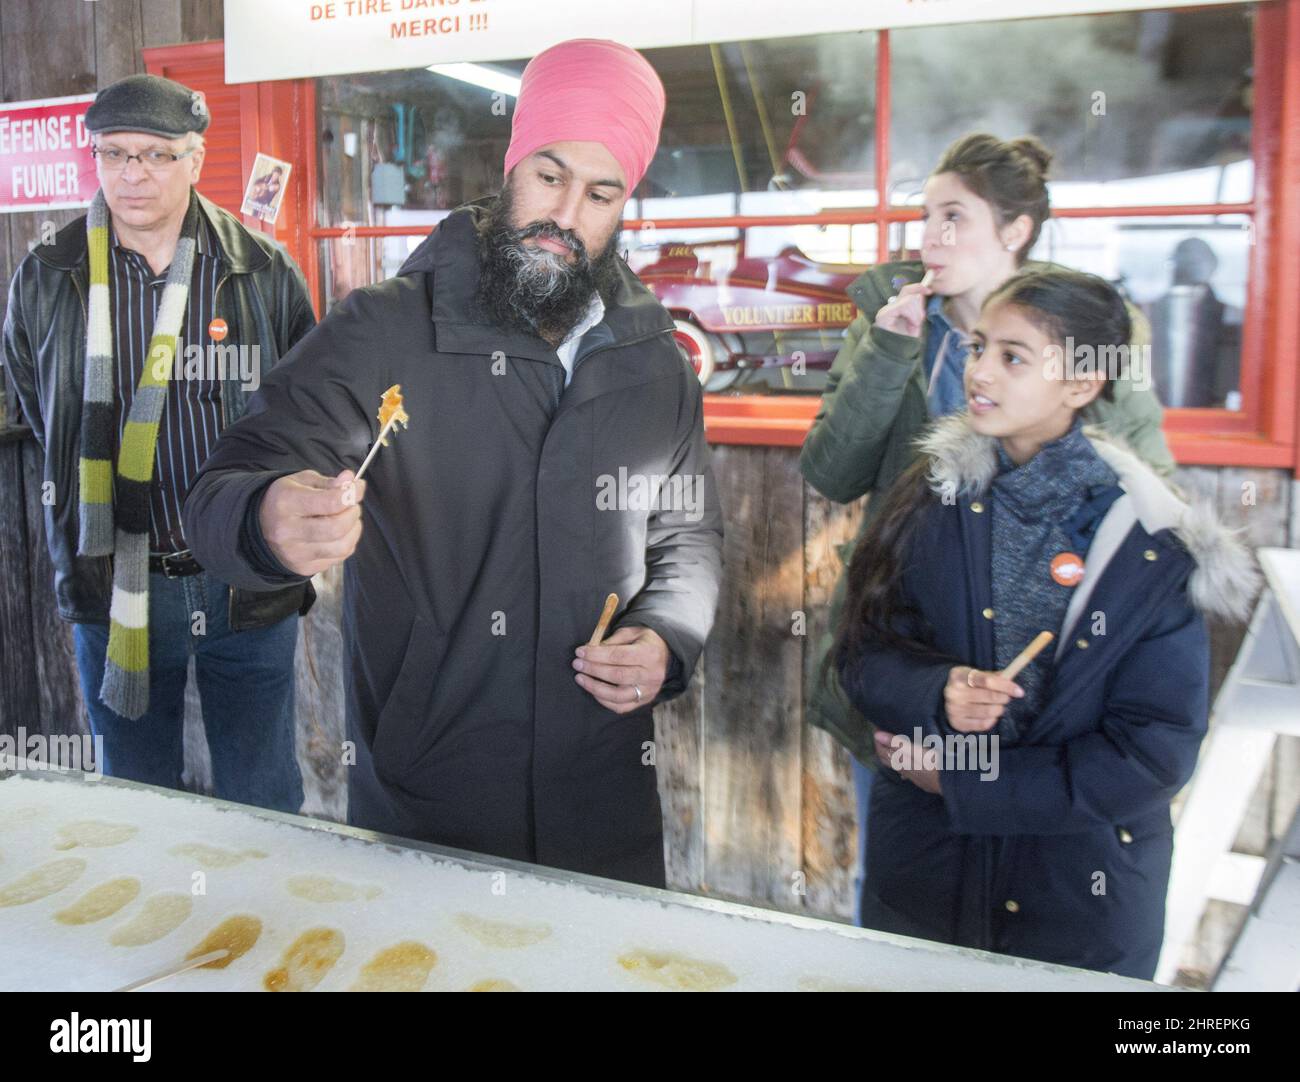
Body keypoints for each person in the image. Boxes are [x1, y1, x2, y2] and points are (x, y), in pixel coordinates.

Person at [183, 40, 724, 888]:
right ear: (511, 164)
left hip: (604, 793)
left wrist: (668, 636)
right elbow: (221, 488)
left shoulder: (654, 356)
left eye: (600, 192)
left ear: (627, 205)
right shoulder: (386, 329)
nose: (567, 213)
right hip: (431, 795)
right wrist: (265, 517)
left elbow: (689, 534)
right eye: (549, 176)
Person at [834, 269, 1257, 979]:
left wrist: (964, 783)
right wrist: (938, 690)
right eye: (976, 347)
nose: (979, 372)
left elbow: (1152, 753)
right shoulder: (932, 494)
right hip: (927, 878)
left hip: (1078, 894)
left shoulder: (1150, 541)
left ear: (1083, 385)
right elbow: (862, 657)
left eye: (1013, 356)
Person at [799, 134, 1174, 919]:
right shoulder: (889, 322)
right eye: (923, 216)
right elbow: (833, 474)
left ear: (1015, 231)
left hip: (1050, 683)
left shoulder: (1088, 329)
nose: (927, 238)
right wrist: (888, 350)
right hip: (915, 671)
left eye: (952, 217)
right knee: (909, 885)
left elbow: (1152, 499)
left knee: (1044, 897)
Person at [2, 74, 317, 810]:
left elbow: (309, 407)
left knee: (262, 790)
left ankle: (261, 924)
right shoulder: (49, 272)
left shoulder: (261, 268)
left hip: (245, 569)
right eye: (114, 154)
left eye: (155, 155)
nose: (132, 174)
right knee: (136, 797)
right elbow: (37, 398)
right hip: (114, 575)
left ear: (195, 159)